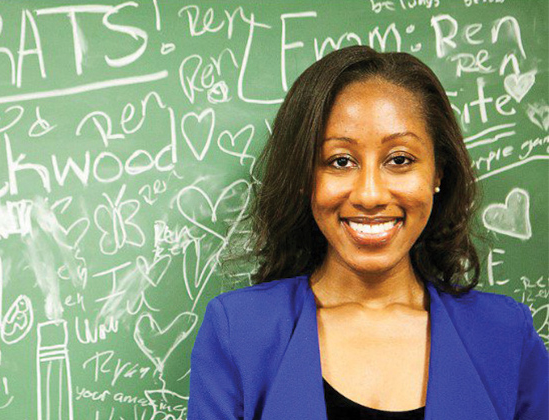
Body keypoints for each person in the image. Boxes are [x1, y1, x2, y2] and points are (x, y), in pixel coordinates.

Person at [187, 45, 548, 419]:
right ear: (304, 177)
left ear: (438, 172)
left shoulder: (506, 335)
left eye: (400, 160)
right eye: (340, 161)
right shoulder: (239, 330)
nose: (370, 195)